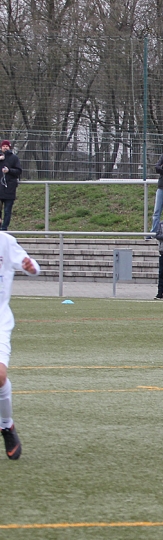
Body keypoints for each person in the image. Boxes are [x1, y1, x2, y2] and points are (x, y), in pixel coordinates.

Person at [0, 231, 38, 459]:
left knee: (0, 375)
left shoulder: (5, 241)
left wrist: (31, 267)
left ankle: (6, 426)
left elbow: (31, 264)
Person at [0, 140, 22, 230]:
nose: (5, 147)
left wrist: (9, 171)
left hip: (10, 188)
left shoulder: (14, 158)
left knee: (7, 210)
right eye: (3, 146)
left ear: (10, 147)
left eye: (7, 146)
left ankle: (4, 228)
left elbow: (18, 171)